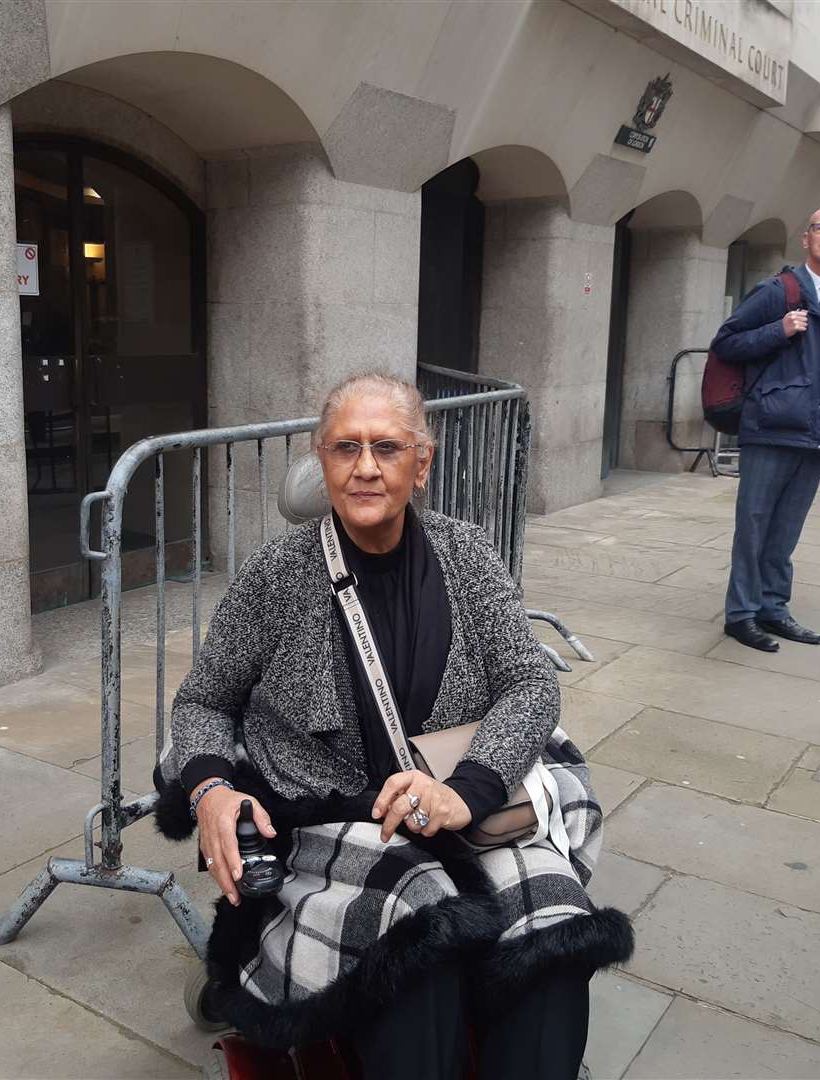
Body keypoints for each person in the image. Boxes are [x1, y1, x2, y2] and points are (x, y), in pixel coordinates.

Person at [155, 373, 631, 1080]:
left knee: (556, 926)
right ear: (322, 459)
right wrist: (211, 792)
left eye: (387, 446)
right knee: (416, 937)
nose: (366, 466)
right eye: (346, 447)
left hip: (457, 809)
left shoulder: (466, 555)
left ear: (423, 462)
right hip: (334, 825)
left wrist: (466, 790)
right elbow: (202, 704)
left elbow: (529, 682)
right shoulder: (275, 575)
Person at [712, 205, 820, 652]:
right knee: (754, 525)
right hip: (770, 426)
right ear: (806, 239)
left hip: (815, 430)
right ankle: (741, 615)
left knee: (787, 528)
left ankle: (773, 608)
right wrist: (779, 330)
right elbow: (726, 342)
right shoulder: (777, 290)